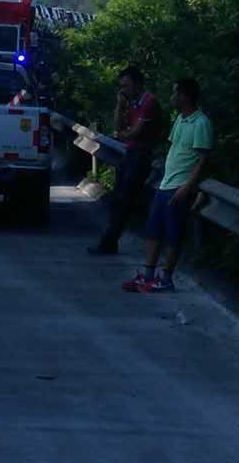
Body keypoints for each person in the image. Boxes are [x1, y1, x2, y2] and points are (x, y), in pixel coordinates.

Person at [122, 76, 212, 294]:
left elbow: (203, 159)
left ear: (184, 96)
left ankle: (166, 279)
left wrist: (188, 186)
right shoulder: (180, 119)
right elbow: (175, 148)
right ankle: (148, 275)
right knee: (153, 230)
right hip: (165, 183)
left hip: (180, 186)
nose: (172, 97)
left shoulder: (201, 123)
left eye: (175, 93)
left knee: (173, 234)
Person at [88, 66, 162, 255]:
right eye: (121, 86)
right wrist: (119, 105)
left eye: (126, 86)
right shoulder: (132, 103)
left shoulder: (148, 102)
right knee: (118, 199)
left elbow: (135, 132)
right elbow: (118, 128)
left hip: (142, 155)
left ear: (137, 84)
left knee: (124, 201)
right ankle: (110, 240)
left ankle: (109, 242)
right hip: (130, 153)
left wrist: (123, 134)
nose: (123, 90)